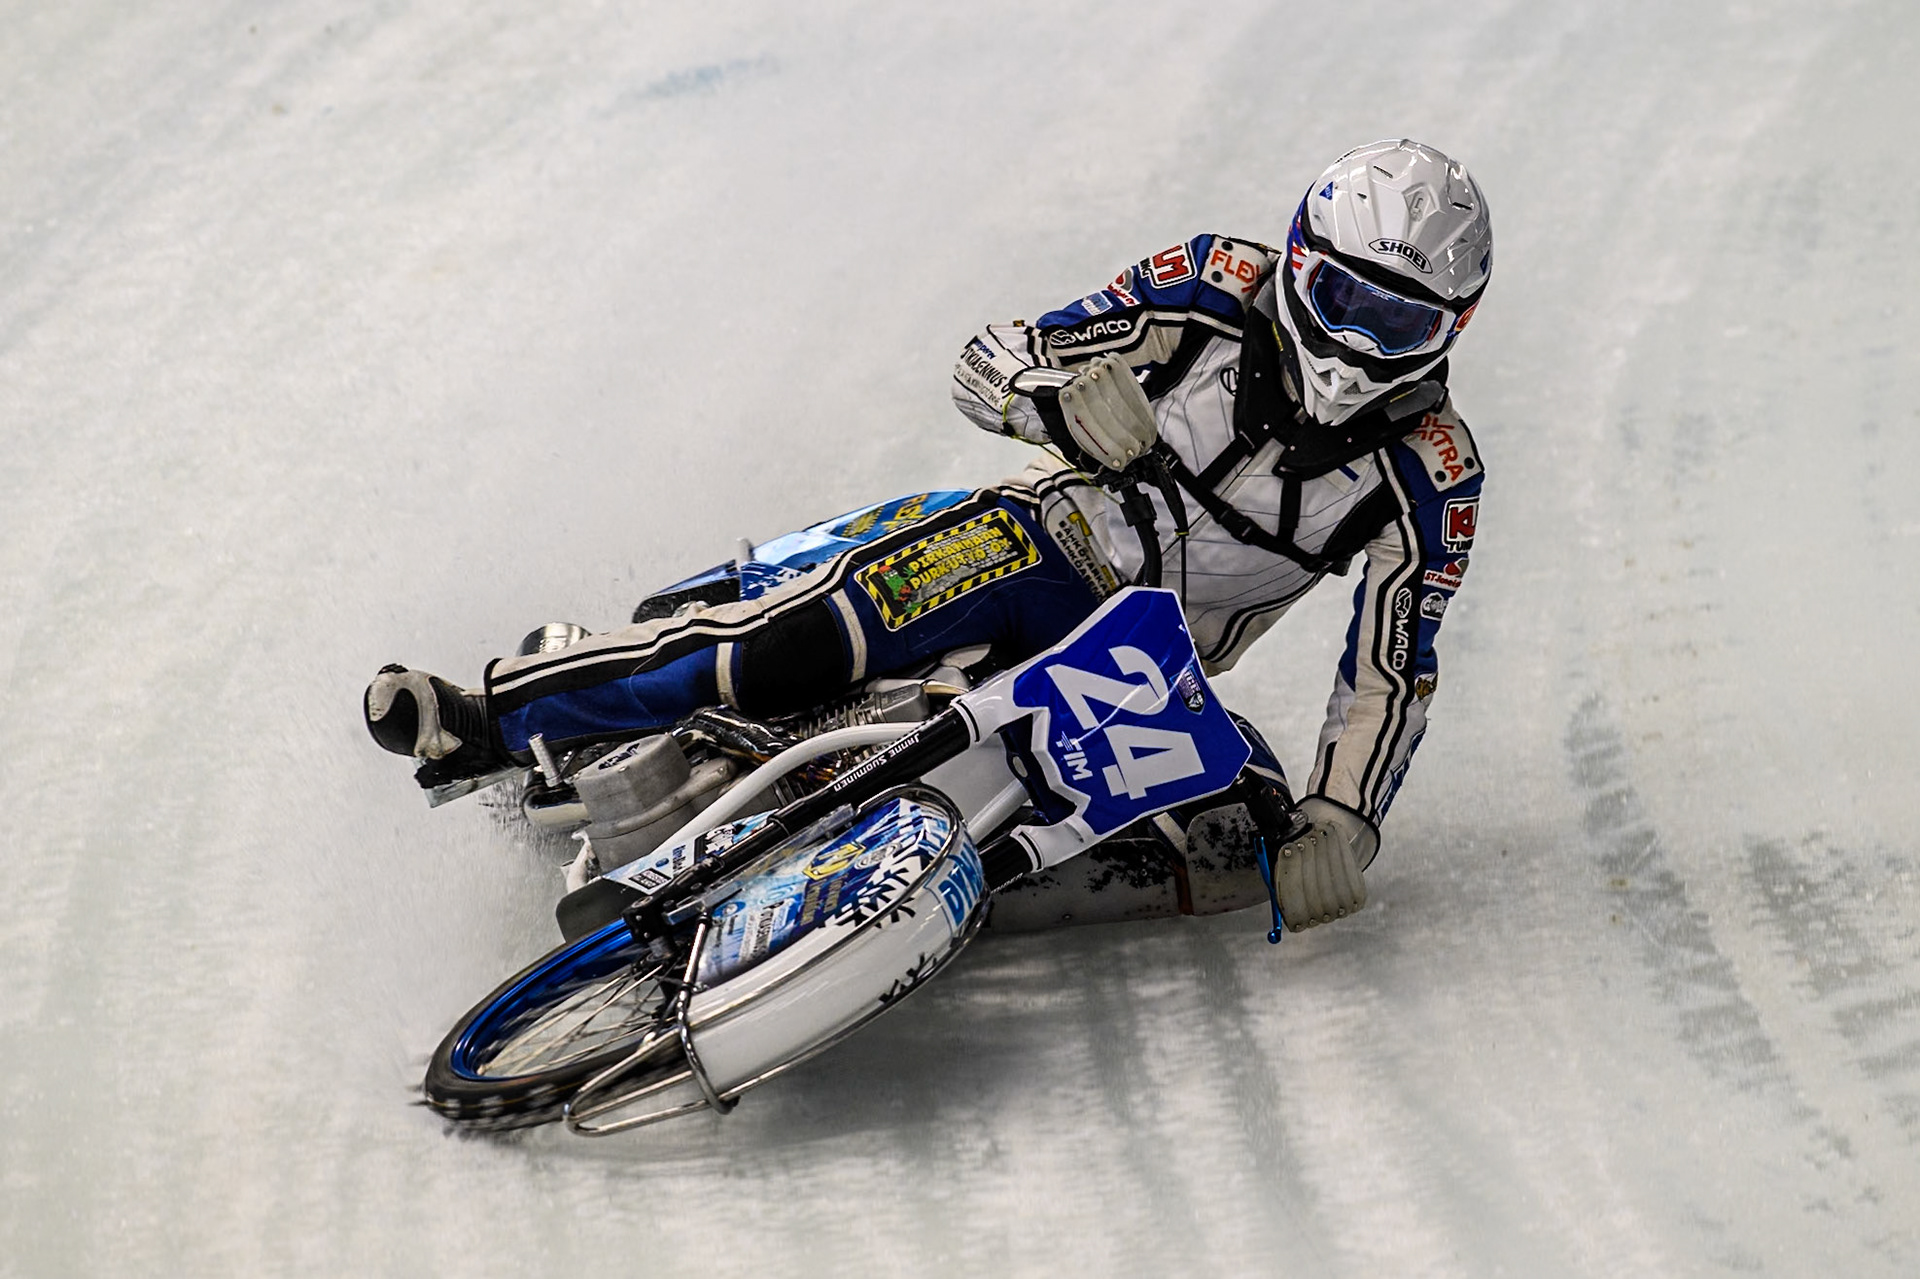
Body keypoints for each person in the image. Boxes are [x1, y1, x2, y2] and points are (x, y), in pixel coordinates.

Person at [366, 138, 1491, 933]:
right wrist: (1052, 398)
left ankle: (916, 900)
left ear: (1451, 331)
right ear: (1298, 261)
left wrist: (1344, 821)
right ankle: (489, 714)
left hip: (1152, 667)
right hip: (1036, 548)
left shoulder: (1431, 476)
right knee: (788, 646)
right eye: (1341, 298)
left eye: (1398, 323)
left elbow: (1390, 672)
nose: (1354, 345)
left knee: (1244, 848)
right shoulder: (1207, 287)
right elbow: (991, 350)